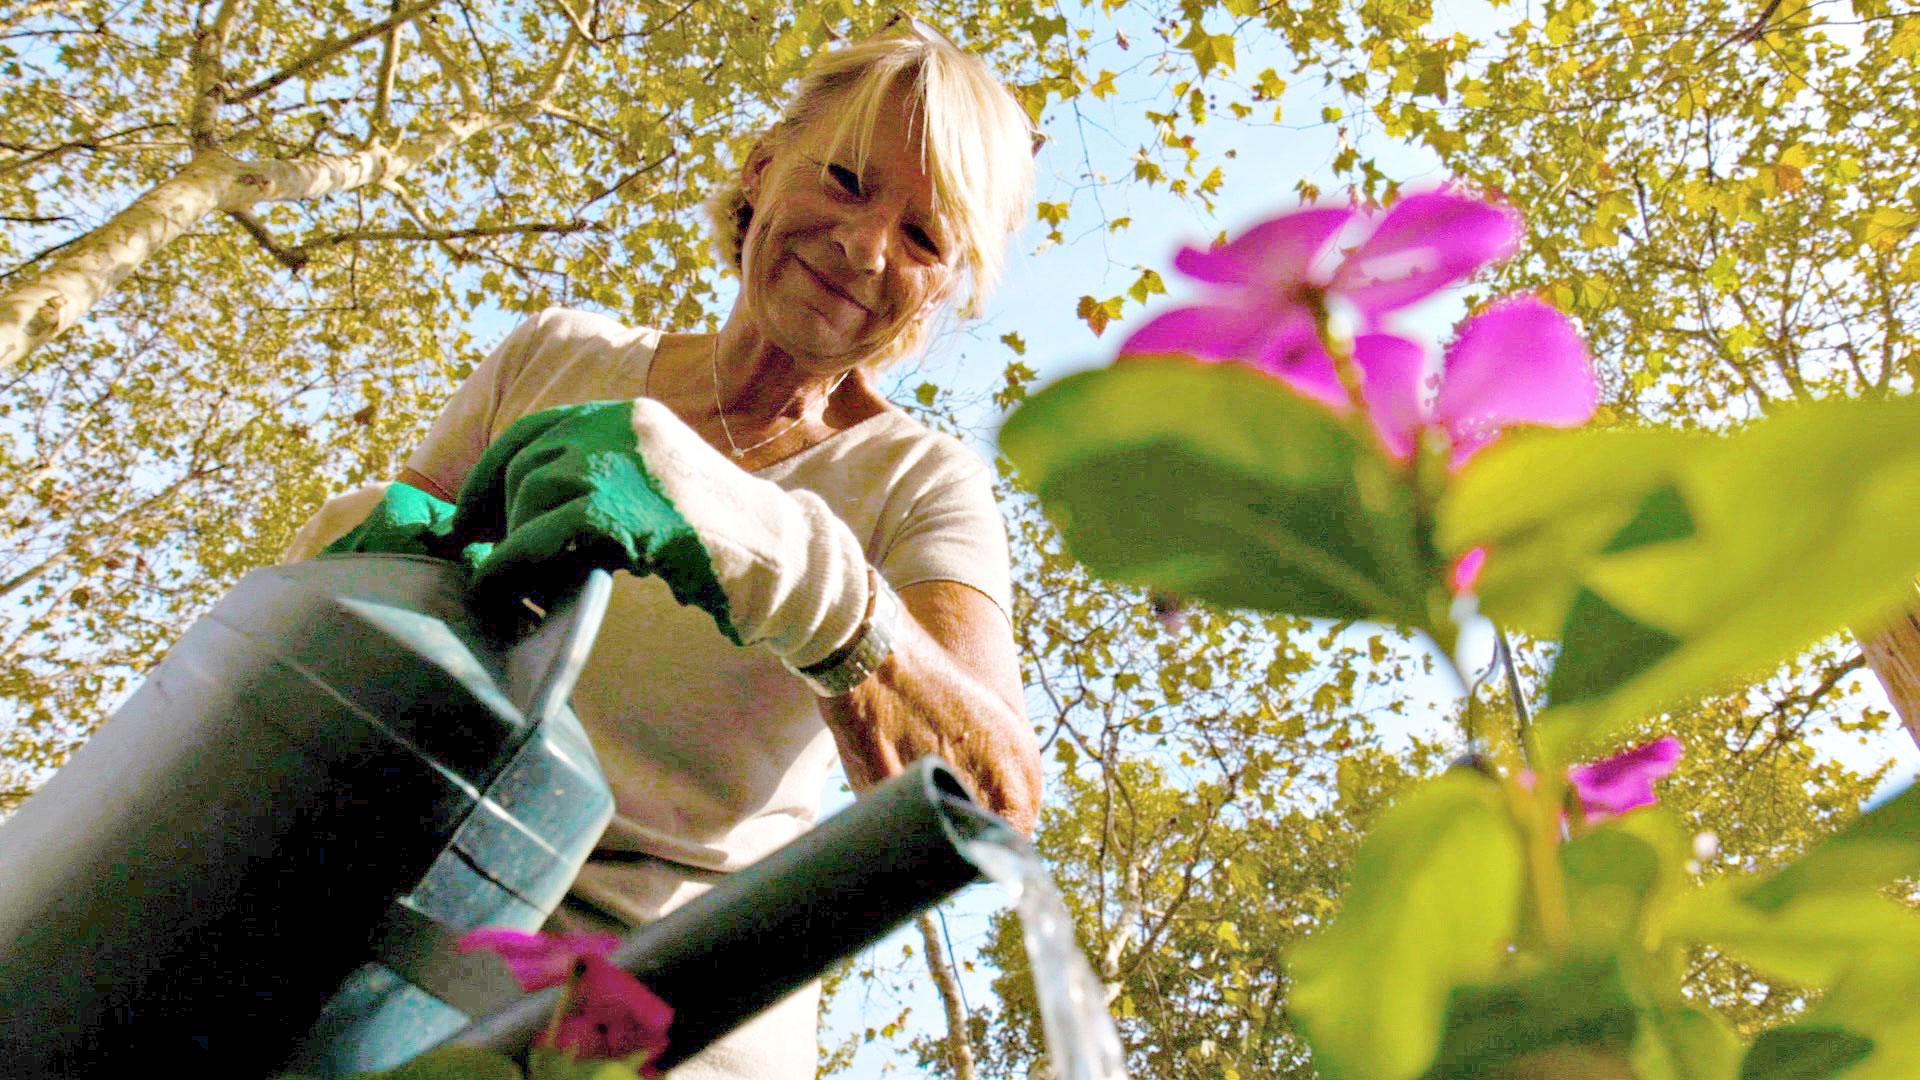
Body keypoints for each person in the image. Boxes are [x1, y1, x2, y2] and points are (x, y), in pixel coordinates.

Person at [283, 18, 1044, 1078]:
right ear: (763, 165)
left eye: (924, 238)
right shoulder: (556, 356)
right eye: (846, 179)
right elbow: (364, 628)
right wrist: (357, 563)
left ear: (946, 287)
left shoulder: (917, 483)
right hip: (401, 919)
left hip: (652, 1008)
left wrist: (809, 585)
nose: (866, 247)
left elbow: (991, 798)